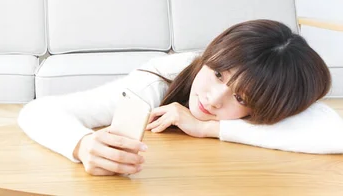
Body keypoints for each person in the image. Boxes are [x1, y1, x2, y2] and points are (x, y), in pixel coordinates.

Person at [18, 19, 343, 176]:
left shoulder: (275, 91)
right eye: (217, 74)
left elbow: (334, 136)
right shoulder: (161, 78)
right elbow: (39, 111)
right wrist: (82, 145)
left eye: (241, 98)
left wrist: (207, 128)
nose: (214, 99)